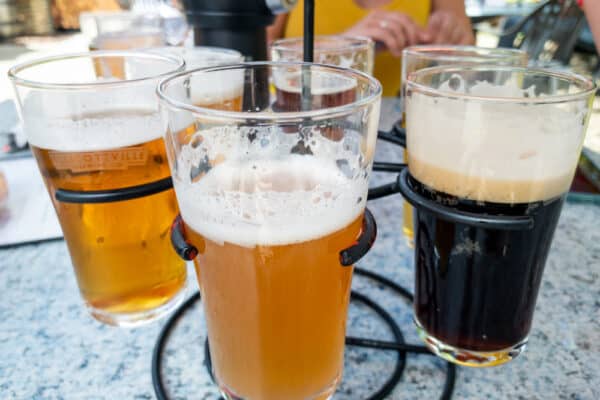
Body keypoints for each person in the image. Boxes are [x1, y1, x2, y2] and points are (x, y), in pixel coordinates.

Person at [268, 0, 474, 96]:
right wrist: (343, 47)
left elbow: (470, 64)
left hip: (400, 132)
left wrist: (451, 39)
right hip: (296, 121)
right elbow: (253, 57)